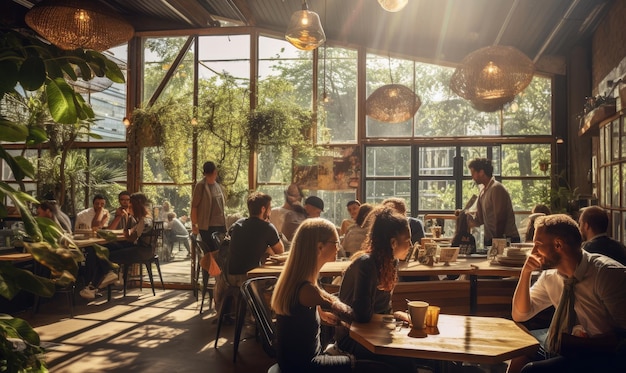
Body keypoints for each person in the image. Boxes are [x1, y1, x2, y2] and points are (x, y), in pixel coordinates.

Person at [509, 214, 626, 373]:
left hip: (602, 355)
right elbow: (520, 315)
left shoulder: (606, 274)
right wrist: (525, 273)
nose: (533, 251)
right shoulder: (551, 278)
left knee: (531, 370)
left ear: (558, 245)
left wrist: (580, 344)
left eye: (538, 244)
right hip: (568, 349)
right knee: (520, 352)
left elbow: (622, 336)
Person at [336, 207, 416, 372]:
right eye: (408, 240)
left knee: (414, 352)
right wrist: (388, 317)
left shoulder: (391, 262)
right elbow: (362, 316)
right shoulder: (366, 264)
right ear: (393, 243)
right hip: (352, 337)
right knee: (406, 362)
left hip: (375, 333)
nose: (411, 245)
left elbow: (382, 308)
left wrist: (395, 315)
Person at [271, 218, 355, 372]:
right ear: (320, 247)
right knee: (365, 364)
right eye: (335, 242)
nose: (339, 247)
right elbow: (348, 314)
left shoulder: (298, 282)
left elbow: (322, 303)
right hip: (307, 366)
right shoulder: (307, 290)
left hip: (291, 363)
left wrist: (321, 314)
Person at [80, 193, 153, 299]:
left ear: (137, 206)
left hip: (140, 251)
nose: (129, 207)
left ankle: (98, 282)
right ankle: (94, 285)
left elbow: (131, 236)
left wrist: (122, 225)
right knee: (100, 249)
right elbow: (131, 233)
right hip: (138, 248)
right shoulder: (144, 218)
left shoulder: (145, 220)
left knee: (104, 253)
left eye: (131, 206)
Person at [222, 192, 283, 290]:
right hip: (249, 278)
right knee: (280, 280)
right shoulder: (267, 227)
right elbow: (280, 252)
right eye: (270, 208)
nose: (270, 212)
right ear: (263, 209)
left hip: (229, 278)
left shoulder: (238, 224)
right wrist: (267, 248)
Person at [465, 158, 520, 246]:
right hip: (491, 240)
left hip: (505, 239)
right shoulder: (482, 191)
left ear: (481, 172)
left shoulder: (496, 188)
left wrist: (497, 242)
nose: (472, 177)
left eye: (473, 173)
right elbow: (480, 220)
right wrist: (464, 216)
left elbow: (500, 218)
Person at [190, 161, 227, 251]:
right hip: (207, 227)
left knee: (221, 251)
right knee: (210, 252)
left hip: (220, 225)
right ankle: (209, 265)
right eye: (209, 174)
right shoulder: (201, 186)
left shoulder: (218, 186)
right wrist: (194, 224)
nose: (212, 176)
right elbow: (194, 206)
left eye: (213, 174)